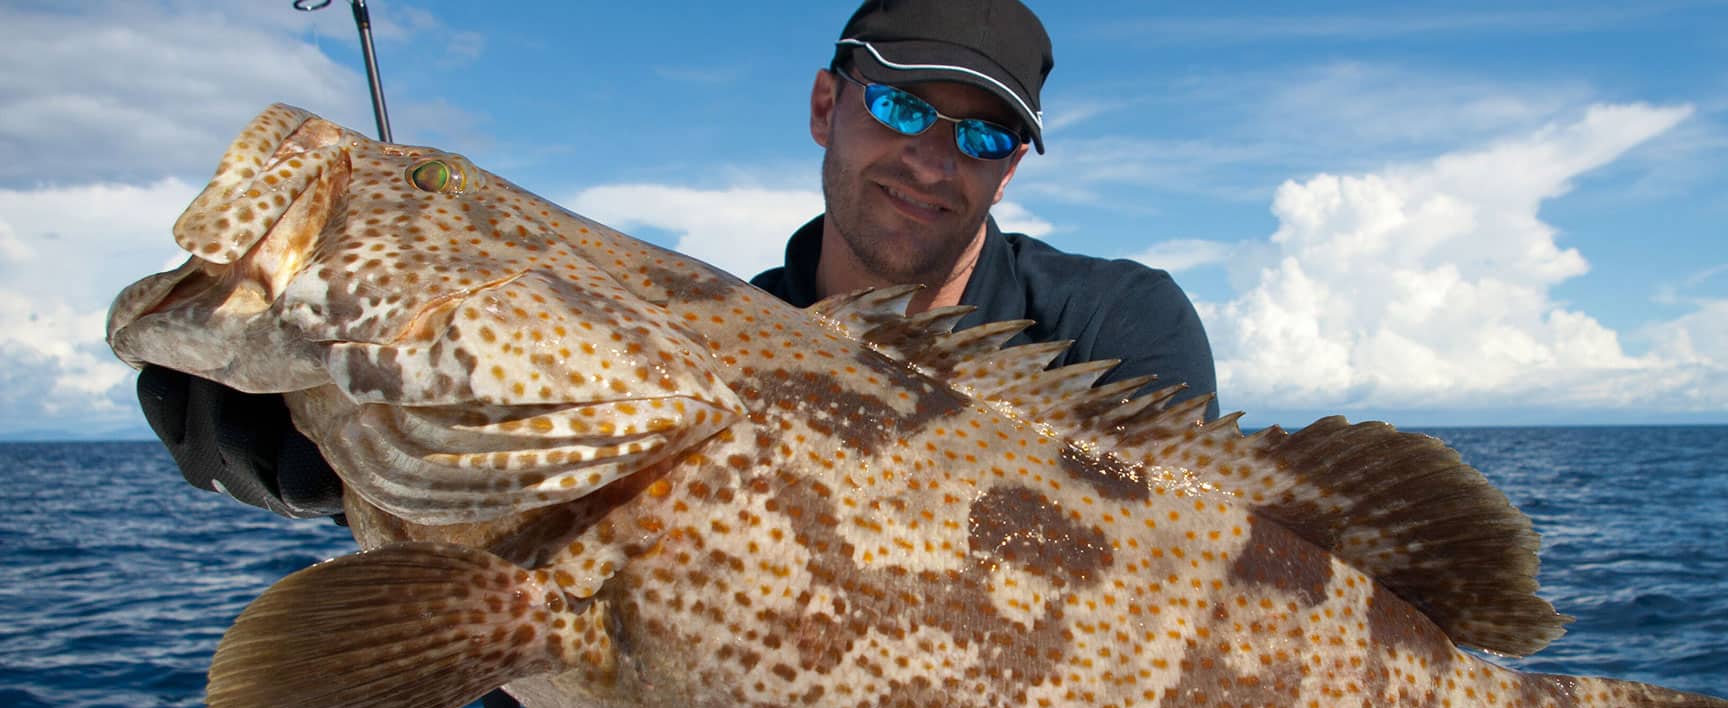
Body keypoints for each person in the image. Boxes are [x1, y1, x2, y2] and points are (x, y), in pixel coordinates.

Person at [138, 0, 1218, 520]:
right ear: (824, 105)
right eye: (899, 104)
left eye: (984, 136)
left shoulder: (1119, 324)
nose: (935, 159)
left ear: (1012, 169)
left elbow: (1177, 575)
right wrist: (338, 465)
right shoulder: (706, 342)